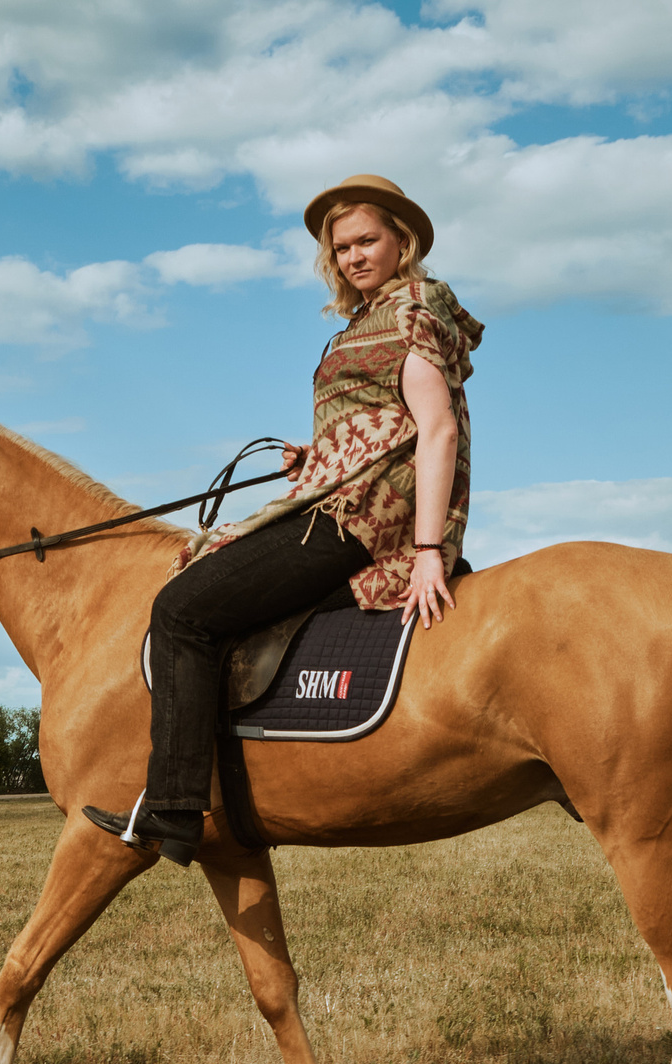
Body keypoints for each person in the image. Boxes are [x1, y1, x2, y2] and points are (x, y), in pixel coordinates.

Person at [85, 173, 484, 863]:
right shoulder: (367, 318)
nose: (356, 256)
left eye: (368, 240)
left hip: (361, 518)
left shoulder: (414, 307)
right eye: (343, 248)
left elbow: (438, 429)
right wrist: (320, 454)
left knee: (181, 607)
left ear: (401, 239)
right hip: (340, 493)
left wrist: (427, 550)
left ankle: (175, 807)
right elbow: (380, 419)